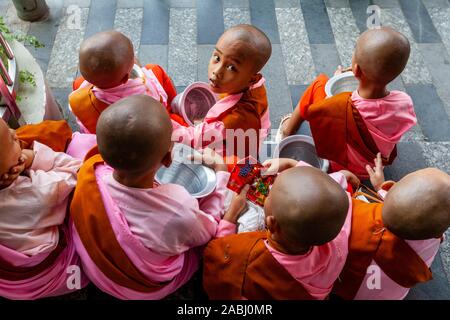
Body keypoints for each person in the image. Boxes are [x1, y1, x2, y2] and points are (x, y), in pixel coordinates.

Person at [70, 95, 232, 299]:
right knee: (200, 251)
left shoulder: (92, 171)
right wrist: (220, 172)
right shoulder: (179, 209)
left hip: (97, 271)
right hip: (137, 288)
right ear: (167, 159)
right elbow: (208, 229)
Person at [281, 27, 416, 178]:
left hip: (338, 164)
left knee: (319, 84)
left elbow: (323, 109)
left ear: (356, 70)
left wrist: (335, 79)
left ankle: (287, 130)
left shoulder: (339, 106)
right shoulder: (404, 102)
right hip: (371, 169)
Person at [69, 30, 180, 134]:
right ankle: (176, 107)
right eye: (133, 58)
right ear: (126, 77)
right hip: (150, 126)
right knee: (154, 69)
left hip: (110, 140)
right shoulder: (148, 88)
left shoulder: (78, 94)